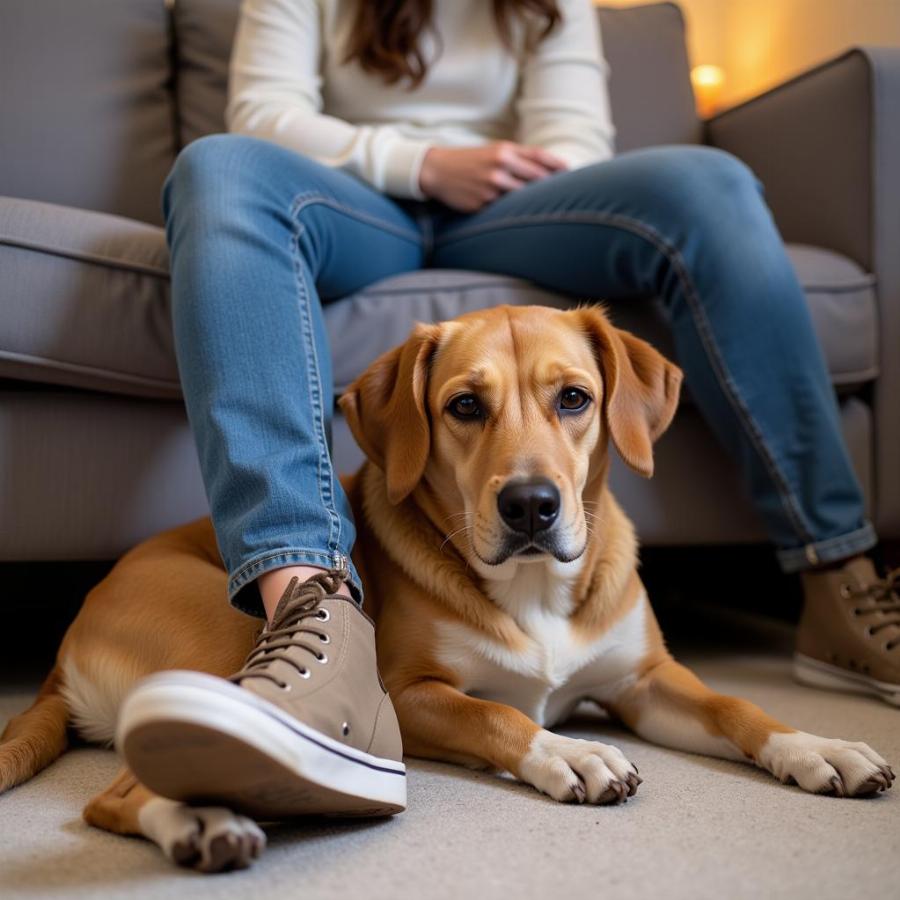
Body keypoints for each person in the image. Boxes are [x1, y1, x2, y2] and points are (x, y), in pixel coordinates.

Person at [120, 0, 899, 819]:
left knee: (713, 182)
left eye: (568, 400)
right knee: (219, 167)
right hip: (353, 201)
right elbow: (263, 116)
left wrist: (493, 173)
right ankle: (314, 617)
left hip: (519, 208)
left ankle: (838, 571)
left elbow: (577, 141)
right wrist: (426, 164)